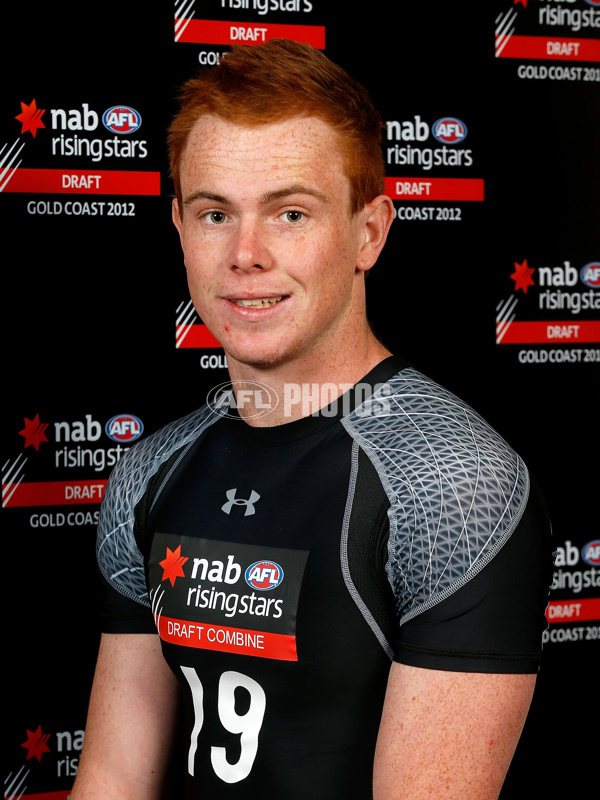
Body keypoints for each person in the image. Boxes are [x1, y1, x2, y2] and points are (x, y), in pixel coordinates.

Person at [71, 39, 552, 799]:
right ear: (180, 231)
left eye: (290, 213)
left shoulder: (452, 480)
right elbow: (111, 778)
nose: (246, 253)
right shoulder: (148, 471)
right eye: (215, 213)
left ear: (369, 232)